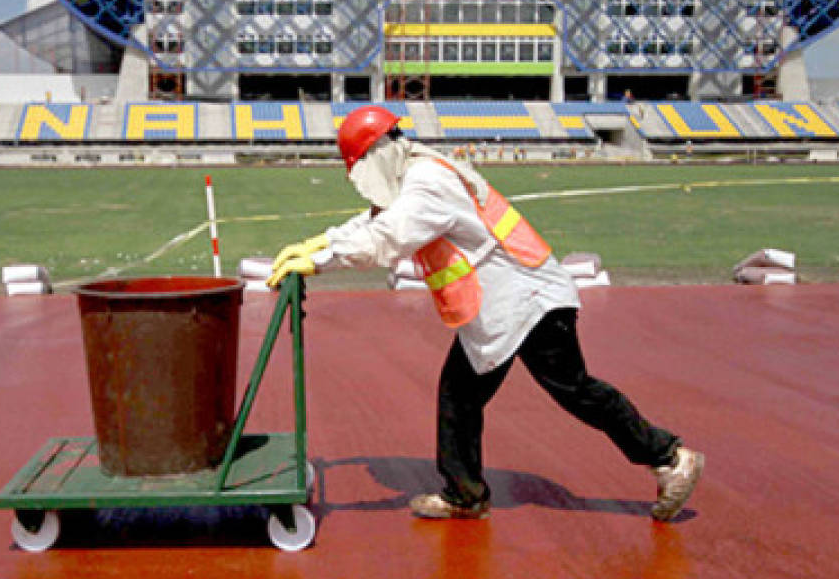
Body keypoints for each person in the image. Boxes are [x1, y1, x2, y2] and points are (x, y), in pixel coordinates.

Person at [267, 106, 704, 521]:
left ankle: (669, 458)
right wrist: (317, 244)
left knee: (573, 390)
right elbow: (377, 218)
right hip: (503, 307)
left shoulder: (427, 182)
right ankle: (465, 493)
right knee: (462, 394)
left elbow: (392, 235)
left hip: (530, 302)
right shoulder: (414, 171)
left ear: (375, 153)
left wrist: (322, 260)